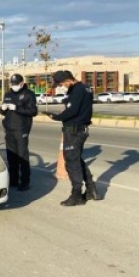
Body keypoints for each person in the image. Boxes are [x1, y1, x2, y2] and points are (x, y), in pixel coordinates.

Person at [43, 70, 99, 206]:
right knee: (76, 160)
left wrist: (55, 116)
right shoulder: (84, 88)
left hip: (74, 131)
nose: (61, 87)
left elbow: (72, 111)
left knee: (72, 163)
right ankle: (91, 189)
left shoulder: (77, 90)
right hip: (79, 129)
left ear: (68, 80)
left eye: (61, 84)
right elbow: (76, 107)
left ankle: (76, 195)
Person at [0, 74, 38, 191]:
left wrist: (16, 108)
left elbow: (33, 111)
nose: (14, 86)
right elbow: (2, 112)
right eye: (12, 84)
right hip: (9, 130)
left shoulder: (28, 94)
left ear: (22, 83)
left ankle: (25, 182)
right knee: (12, 158)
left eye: (16, 84)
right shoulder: (8, 94)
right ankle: (14, 180)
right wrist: (2, 109)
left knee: (22, 157)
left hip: (21, 129)